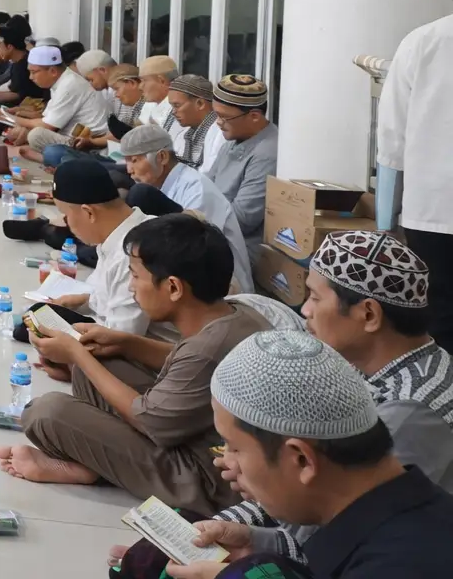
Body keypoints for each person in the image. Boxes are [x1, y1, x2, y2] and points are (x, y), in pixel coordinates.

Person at [192, 231, 453, 570]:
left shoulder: (414, 409)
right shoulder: (357, 363)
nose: (304, 310)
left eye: (315, 297)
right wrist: (221, 529)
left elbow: (339, 528)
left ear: (369, 314)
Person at [0, 214, 270, 515]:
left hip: (205, 479)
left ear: (173, 288)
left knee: (46, 412)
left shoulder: (207, 347)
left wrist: (78, 355)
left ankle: (94, 467)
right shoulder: (235, 315)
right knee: (106, 361)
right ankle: (96, 463)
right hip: (195, 436)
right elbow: (185, 365)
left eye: (136, 276)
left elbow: (151, 421)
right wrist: (125, 343)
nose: (131, 288)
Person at [165, 330, 453, 579]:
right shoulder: (401, 520)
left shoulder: (401, 565)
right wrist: (258, 547)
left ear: (301, 459)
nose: (227, 462)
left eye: (234, 447)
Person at [376, 0, 453, 350]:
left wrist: (384, 221)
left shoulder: (421, 42)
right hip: (429, 212)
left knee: (438, 315)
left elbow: (392, 140)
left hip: (431, 211)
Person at [12, 159, 152, 348]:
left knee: (36, 324)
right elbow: (107, 296)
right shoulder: (121, 233)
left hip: (146, 356)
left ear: (88, 213)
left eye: (66, 215)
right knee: (36, 318)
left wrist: (70, 351)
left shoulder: (133, 252)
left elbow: (120, 339)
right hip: (115, 331)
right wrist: (85, 301)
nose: (66, 224)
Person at [121, 124, 253, 293]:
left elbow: (190, 254)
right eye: (127, 161)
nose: (129, 170)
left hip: (223, 288)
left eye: (135, 160)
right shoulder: (159, 186)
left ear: (161, 157)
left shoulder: (196, 190)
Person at [208, 74, 280, 260]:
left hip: (237, 247)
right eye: (216, 115)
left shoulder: (267, 153)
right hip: (212, 229)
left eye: (224, 117)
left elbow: (241, 220)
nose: (218, 122)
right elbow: (206, 186)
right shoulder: (234, 139)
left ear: (254, 116)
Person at [11, 45, 111, 163]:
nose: (31, 77)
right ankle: (53, 159)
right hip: (71, 136)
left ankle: (59, 159)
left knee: (36, 135)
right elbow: (45, 118)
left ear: (53, 71)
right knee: (27, 134)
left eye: (33, 72)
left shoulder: (69, 84)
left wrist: (14, 119)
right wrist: (16, 119)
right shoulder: (62, 82)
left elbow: (47, 126)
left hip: (88, 143)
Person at [164, 75, 225, 175]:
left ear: (200, 103)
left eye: (177, 105)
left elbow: (208, 175)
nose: (173, 112)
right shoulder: (185, 132)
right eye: (172, 106)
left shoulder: (220, 133)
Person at [137, 55, 178, 126]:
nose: (140, 86)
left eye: (144, 80)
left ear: (162, 81)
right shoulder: (150, 104)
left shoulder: (178, 108)